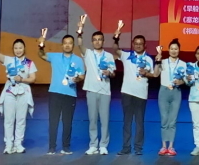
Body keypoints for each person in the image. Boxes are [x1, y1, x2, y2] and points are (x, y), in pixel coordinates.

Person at [0, 23, 37, 155]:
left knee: (21, 120)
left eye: (20, 47)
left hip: (24, 92)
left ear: (24, 48)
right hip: (10, 92)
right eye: (16, 48)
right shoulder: (9, 60)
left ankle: (18, 144)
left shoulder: (29, 63)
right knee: (9, 120)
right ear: (13, 49)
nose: (18, 50)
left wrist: (21, 79)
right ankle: (9, 145)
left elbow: (33, 79)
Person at [37, 30, 85, 155]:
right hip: (55, 93)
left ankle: (66, 147)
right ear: (62, 45)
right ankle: (52, 147)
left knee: (67, 122)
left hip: (70, 94)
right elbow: (41, 55)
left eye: (70, 43)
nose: (67, 45)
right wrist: (41, 45)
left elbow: (82, 75)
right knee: (53, 121)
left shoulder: (78, 60)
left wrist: (78, 79)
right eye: (65, 43)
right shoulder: (55, 57)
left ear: (73, 45)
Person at [113, 26, 155, 156]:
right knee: (127, 122)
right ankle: (126, 147)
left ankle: (138, 148)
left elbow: (153, 74)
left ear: (145, 45)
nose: (138, 45)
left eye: (140, 44)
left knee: (139, 122)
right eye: (136, 43)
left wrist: (146, 73)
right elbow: (115, 49)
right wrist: (116, 38)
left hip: (141, 94)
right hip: (127, 93)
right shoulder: (126, 55)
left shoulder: (148, 59)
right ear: (133, 44)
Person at [77, 25, 115, 156]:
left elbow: (113, 73)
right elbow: (79, 45)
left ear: (103, 41)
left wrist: (109, 73)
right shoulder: (87, 53)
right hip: (91, 90)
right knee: (92, 119)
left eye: (100, 39)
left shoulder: (109, 56)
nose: (97, 42)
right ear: (92, 42)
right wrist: (80, 33)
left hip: (105, 91)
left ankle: (103, 145)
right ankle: (93, 145)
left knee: (104, 120)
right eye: (95, 40)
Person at [153, 38, 187, 156]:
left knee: (172, 120)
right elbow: (155, 74)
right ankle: (163, 146)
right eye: (171, 49)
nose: (173, 51)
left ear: (179, 50)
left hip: (176, 92)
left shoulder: (183, 64)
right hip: (163, 91)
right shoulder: (162, 61)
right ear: (168, 50)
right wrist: (157, 62)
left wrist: (180, 82)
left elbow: (186, 80)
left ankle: (171, 147)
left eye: (176, 49)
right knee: (164, 119)